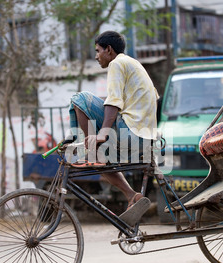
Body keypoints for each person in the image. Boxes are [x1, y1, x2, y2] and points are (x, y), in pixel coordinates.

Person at [68, 30, 159, 225]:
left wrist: (101, 134)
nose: (96, 56)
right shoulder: (132, 64)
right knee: (101, 163)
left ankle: (89, 148)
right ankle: (132, 196)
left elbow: (113, 102)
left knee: (79, 99)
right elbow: (113, 102)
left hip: (131, 133)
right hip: (144, 136)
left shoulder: (117, 63)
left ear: (109, 50)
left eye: (98, 51)